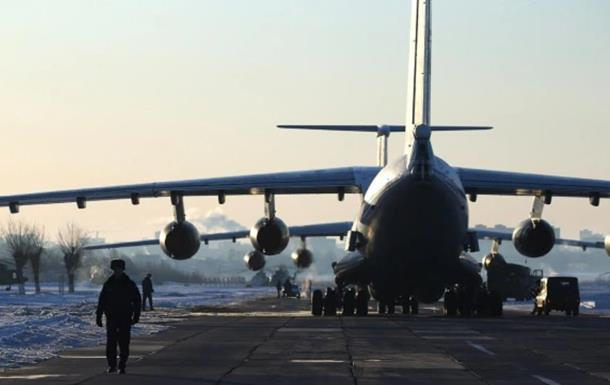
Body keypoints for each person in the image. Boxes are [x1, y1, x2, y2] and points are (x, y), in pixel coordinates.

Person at [96, 259, 141, 375]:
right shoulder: (108, 284)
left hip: (125, 317)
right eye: (115, 269)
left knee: (124, 343)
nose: (117, 271)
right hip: (111, 317)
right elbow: (102, 301)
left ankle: (122, 365)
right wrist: (99, 316)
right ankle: (112, 365)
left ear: (122, 269)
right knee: (111, 342)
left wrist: (136, 315)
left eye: (119, 269)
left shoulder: (129, 284)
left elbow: (137, 300)